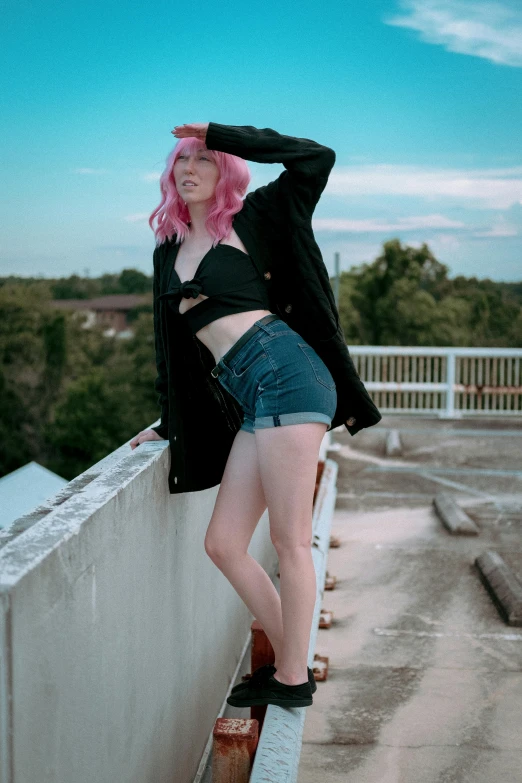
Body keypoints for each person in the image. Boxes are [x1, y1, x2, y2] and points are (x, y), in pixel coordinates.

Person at [130, 121, 382, 709]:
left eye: (204, 159)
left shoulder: (254, 220)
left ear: (228, 170)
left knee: (289, 541)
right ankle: (292, 656)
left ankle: (292, 678)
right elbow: (171, 349)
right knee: (222, 543)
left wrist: (221, 132)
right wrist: (170, 419)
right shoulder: (168, 250)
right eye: (181, 161)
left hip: (289, 374)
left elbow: (316, 156)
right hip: (251, 393)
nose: (188, 168)